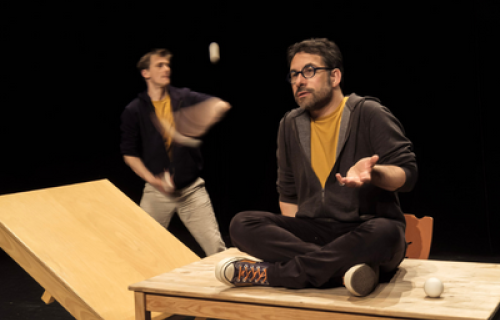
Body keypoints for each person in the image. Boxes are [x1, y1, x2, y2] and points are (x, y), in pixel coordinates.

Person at [215, 38, 417, 297]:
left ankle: (273, 274)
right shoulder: (289, 124)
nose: (299, 80)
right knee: (242, 224)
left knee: (387, 232)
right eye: (293, 74)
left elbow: (407, 173)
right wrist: (304, 242)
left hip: (364, 230)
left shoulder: (368, 112)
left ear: (334, 77)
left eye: (309, 71)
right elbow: (288, 194)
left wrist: (375, 173)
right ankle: (348, 269)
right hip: (315, 232)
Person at [120, 48, 228, 256]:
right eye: (159, 65)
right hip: (156, 192)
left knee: (216, 249)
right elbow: (129, 154)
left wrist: (197, 119)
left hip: (191, 191)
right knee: (140, 249)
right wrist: (154, 180)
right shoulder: (134, 110)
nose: (166, 69)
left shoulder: (183, 98)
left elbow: (220, 105)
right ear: (146, 73)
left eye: (168, 65)